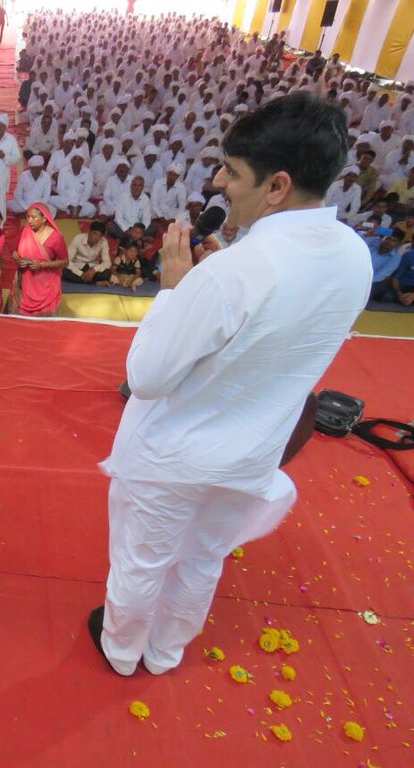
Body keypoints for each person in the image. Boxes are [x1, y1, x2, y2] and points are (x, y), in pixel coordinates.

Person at [89, 93, 372, 678]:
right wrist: (216, 278)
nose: (219, 182)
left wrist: (174, 292)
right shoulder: (353, 254)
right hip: (252, 455)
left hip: (175, 456)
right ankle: (166, 652)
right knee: (202, 559)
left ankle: (120, 651)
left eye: (233, 171)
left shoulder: (229, 274)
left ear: (277, 186)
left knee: (143, 561)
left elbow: (146, 377)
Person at [12, 203, 66, 316]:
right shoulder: (24, 231)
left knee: (43, 326)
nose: (29, 220)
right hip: (24, 284)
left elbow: (65, 262)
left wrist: (41, 265)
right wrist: (18, 260)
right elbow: (13, 251)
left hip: (45, 287)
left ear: (44, 218)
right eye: (28, 217)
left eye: (33, 217)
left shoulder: (56, 237)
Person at [64, 220, 112, 285]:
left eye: (100, 236)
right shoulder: (77, 239)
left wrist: (94, 269)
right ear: (89, 231)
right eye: (95, 233)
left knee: (107, 273)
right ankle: (95, 283)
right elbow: (67, 260)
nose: (97, 238)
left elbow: (107, 262)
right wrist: (80, 273)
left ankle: (84, 280)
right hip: (78, 266)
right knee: (65, 271)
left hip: (92, 267)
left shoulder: (103, 241)